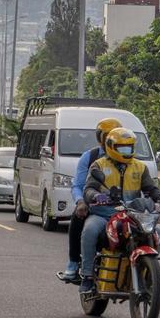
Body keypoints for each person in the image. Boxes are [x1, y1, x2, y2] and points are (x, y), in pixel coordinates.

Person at [78, 127, 160, 295]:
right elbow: (88, 189)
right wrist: (96, 196)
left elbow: (151, 189)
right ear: (110, 147)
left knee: (158, 232)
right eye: (122, 148)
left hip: (132, 214)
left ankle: (150, 275)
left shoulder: (140, 167)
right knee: (90, 230)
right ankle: (87, 276)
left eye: (129, 148)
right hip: (104, 213)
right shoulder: (98, 165)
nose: (126, 152)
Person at [58, 117, 123, 283]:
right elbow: (78, 185)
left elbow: (143, 186)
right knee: (78, 218)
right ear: (101, 138)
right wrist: (81, 202)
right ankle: (74, 263)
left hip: (124, 208)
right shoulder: (90, 157)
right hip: (96, 206)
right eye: (108, 136)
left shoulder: (130, 161)